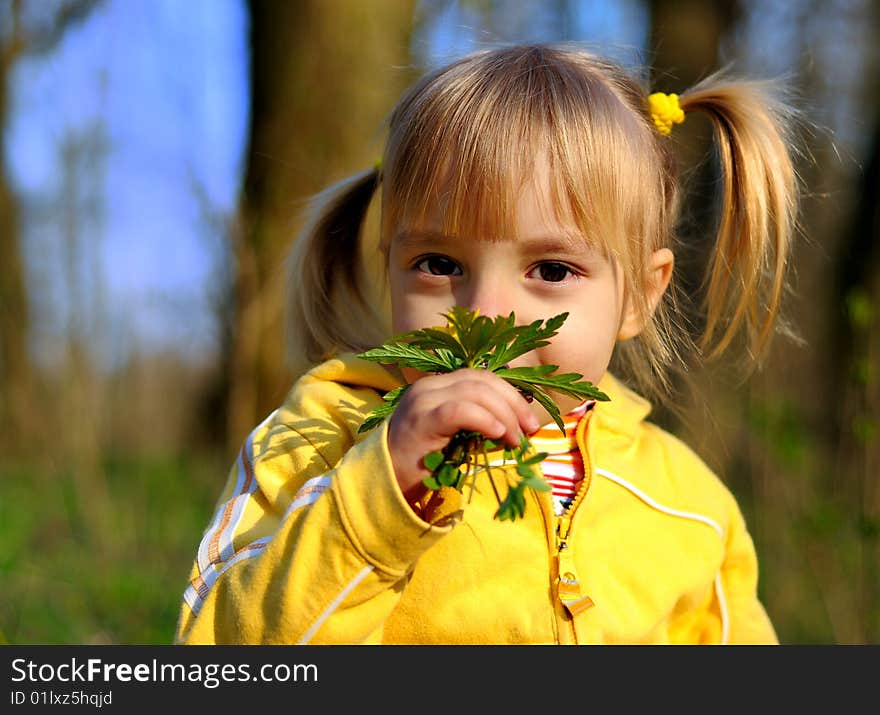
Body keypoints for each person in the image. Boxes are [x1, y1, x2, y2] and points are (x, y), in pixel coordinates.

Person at [175, 44, 800, 645]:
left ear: (639, 294)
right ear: (388, 265)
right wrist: (376, 500)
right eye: (440, 262)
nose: (487, 312)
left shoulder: (687, 504)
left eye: (551, 270)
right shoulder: (319, 440)